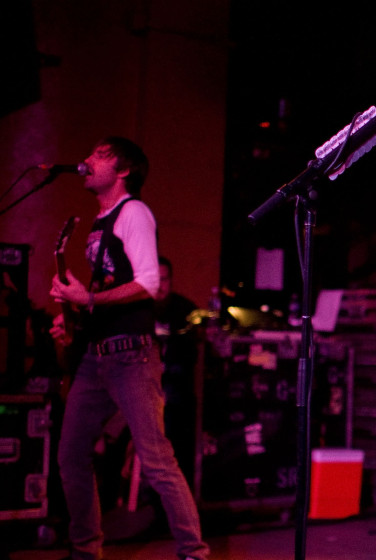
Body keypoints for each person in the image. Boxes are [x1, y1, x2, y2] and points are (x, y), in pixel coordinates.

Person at [48, 136, 208, 560]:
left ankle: (194, 552)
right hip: (95, 357)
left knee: (156, 462)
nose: (85, 160)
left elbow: (149, 283)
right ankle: (86, 550)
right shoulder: (100, 222)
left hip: (131, 356)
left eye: (99, 156)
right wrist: (76, 314)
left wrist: (90, 301)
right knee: (70, 456)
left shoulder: (133, 212)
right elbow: (104, 287)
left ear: (122, 171)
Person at [154, 256, 200, 484]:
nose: (161, 285)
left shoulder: (185, 311)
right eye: (156, 279)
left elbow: (191, 360)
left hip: (174, 396)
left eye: (165, 279)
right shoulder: (138, 313)